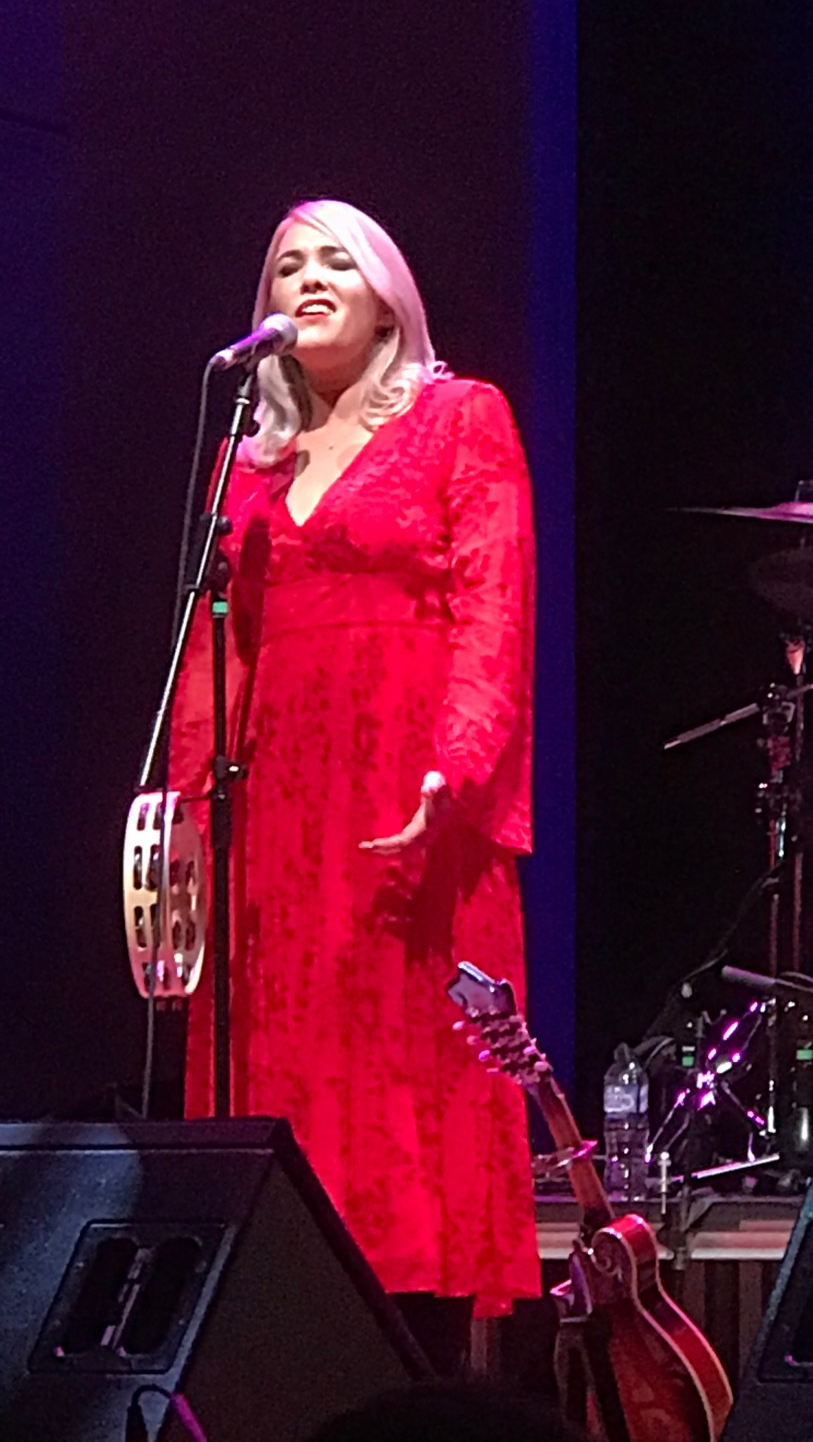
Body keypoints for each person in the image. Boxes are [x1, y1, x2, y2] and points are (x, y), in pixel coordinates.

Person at [172, 198, 539, 1317]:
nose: (311, 278)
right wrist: (185, 803)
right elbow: (217, 648)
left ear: (389, 299)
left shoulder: (460, 416)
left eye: (339, 259)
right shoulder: (245, 462)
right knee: (276, 1052)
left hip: (404, 793)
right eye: (289, 265)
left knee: (402, 1058)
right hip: (275, 804)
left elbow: (495, 601)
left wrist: (457, 765)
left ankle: (412, 1342)